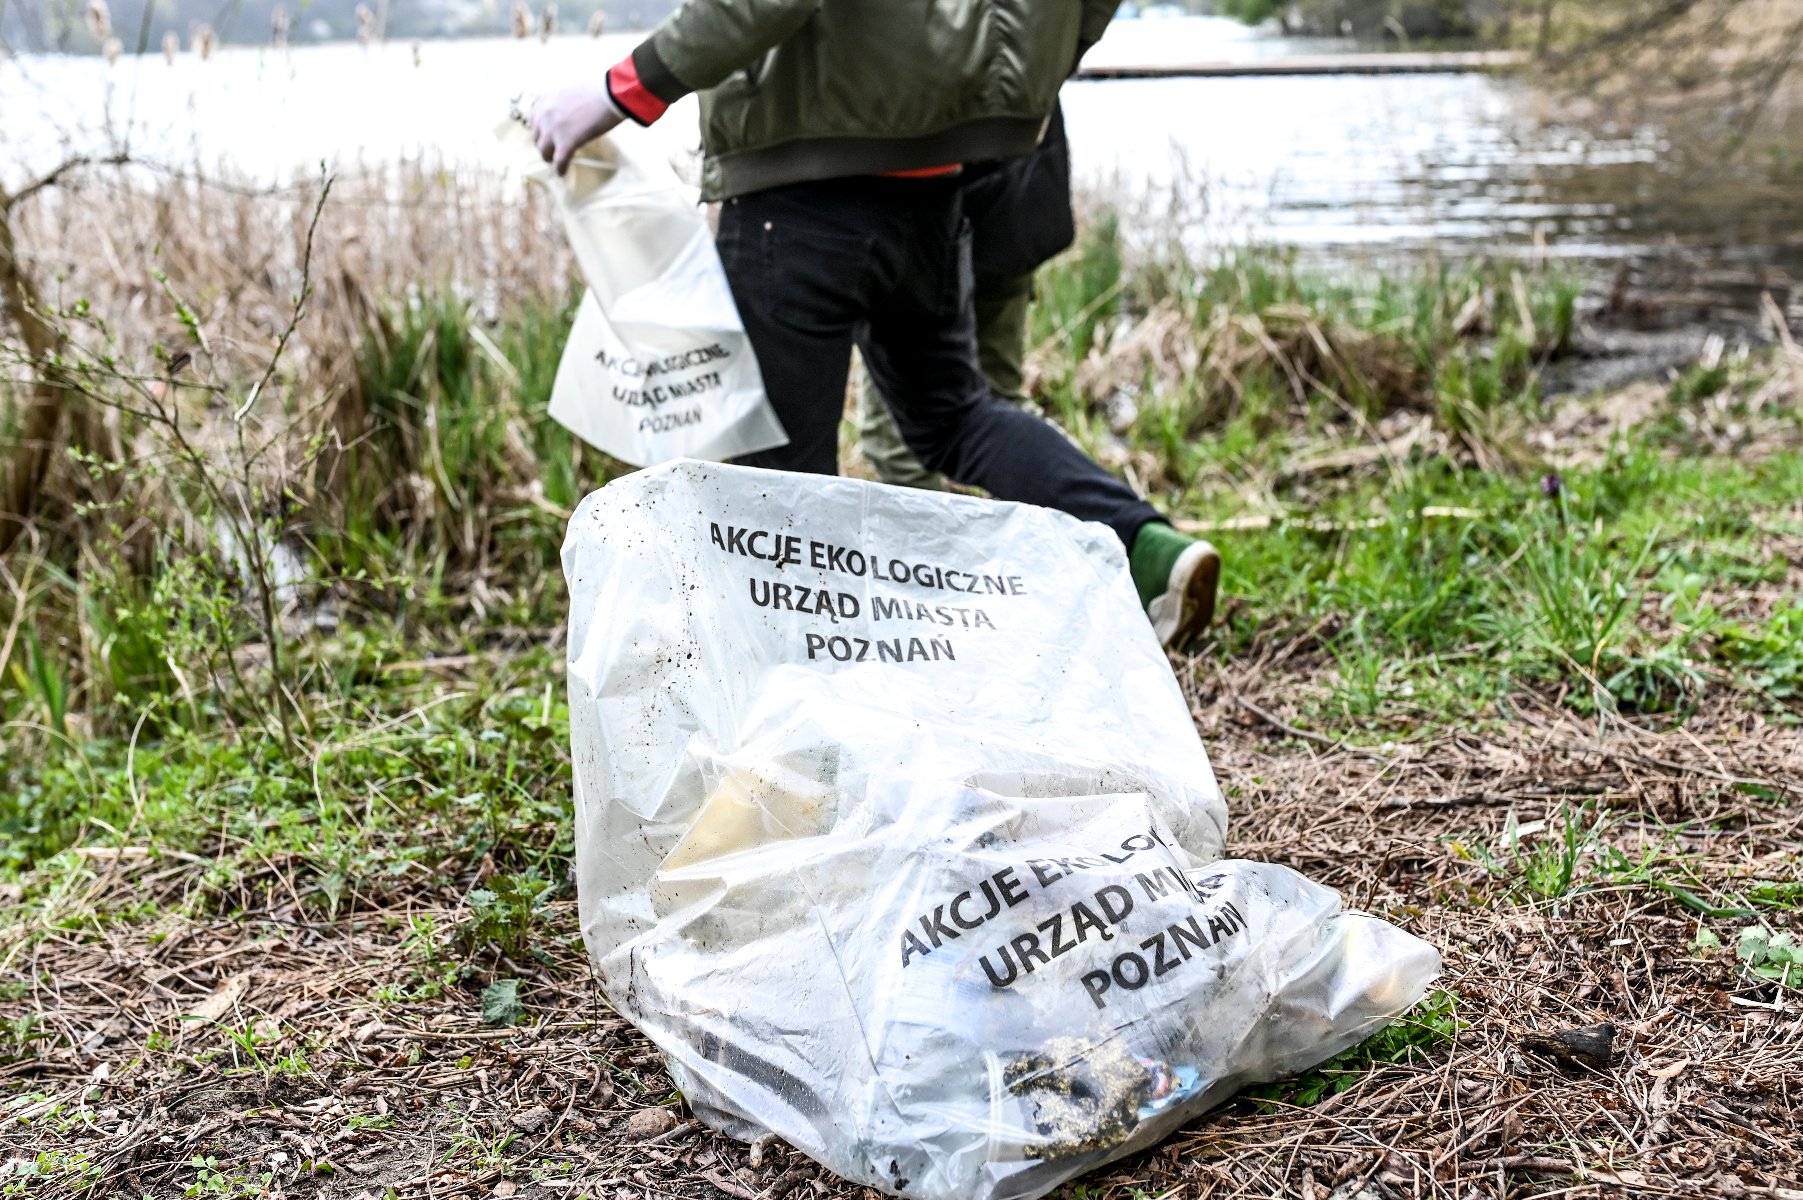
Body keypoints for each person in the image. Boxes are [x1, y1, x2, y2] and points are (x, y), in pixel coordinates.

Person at [529, 0, 1219, 647]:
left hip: (797, 194)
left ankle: (807, 690)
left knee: (778, 477)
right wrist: (1031, 67)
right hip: (934, 182)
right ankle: (1147, 548)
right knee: (954, 417)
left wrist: (622, 89)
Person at [856, 105, 1074, 493]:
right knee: (1000, 407)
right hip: (1009, 207)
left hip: (926, 222)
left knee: (897, 440)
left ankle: (1092, 511)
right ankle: (1096, 511)